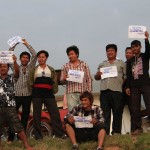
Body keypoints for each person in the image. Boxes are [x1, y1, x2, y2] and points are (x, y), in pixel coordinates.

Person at [29, 50, 66, 140]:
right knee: (37, 115)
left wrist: (54, 91)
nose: (41, 59)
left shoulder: (51, 69)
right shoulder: (34, 69)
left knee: (55, 114)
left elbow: (54, 82)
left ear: (46, 58)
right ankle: (38, 136)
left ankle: (60, 134)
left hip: (49, 94)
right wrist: (33, 92)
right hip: (37, 94)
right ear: (38, 58)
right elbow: (30, 83)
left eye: (43, 57)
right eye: (39, 57)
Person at [0, 56, 32, 150]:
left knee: (19, 127)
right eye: (1, 66)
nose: (2, 68)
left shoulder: (12, 78)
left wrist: (14, 61)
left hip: (10, 107)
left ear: (8, 68)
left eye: (5, 66)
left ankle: (26, 145)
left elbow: (17, 72)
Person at [8, 39, 37, 141]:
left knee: (25, 118)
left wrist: (26, 44)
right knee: (13, 117)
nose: (25, 59)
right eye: (23, 57)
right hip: (16, 96)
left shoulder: (31, 67)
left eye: (26, 58)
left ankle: (22, 139)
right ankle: (10, 138)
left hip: (28, 96)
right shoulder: (15, 66)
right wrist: (15, 42)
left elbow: (34, 54)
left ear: (29, 60)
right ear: (20, 59)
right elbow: (9, 53)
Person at [94, 44, 126, 135]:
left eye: (112, 50)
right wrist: (98, 75)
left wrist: (120, 84)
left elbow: (126, 77)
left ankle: (116, 132)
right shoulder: (102, 64)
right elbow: (96, 77)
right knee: (105, 114)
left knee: (117, 112)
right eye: (108, 51)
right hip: (104, 91)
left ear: (116, 52)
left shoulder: (121, 63)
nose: (110, 52)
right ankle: (105, 133)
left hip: (116, 91)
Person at [126, 31, 150, 135]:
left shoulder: (144, 56)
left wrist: (146, 39)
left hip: (145, 84)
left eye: (136, 46)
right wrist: (127, 86)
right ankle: (137, 128)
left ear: (140, 47)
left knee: (149, 105)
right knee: (135, 107)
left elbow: (149, 51)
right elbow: (128, 75)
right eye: (133, 47)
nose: (134, 48)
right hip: (134, 86)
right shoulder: (130, 60)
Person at [60, 45, 92, 111]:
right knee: (72, 112)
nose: (70, 56)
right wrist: (64, 79)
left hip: (83, 93)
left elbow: (89, 78)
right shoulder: (65, 66)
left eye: (72, 54)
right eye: (69, 55)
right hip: (71, 93)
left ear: (77, 54)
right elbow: (61, 81)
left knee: (84, 112)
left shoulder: (84, 64)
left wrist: (89, 92)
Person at [121, 47, 134, 114]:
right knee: (119, 111)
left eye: (130, 53)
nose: (128, 54)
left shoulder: (136, 63)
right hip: (123, 90)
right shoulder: (123, 64)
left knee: (133, 111)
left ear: (133, 54)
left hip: (133, 90)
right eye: (127, 53)